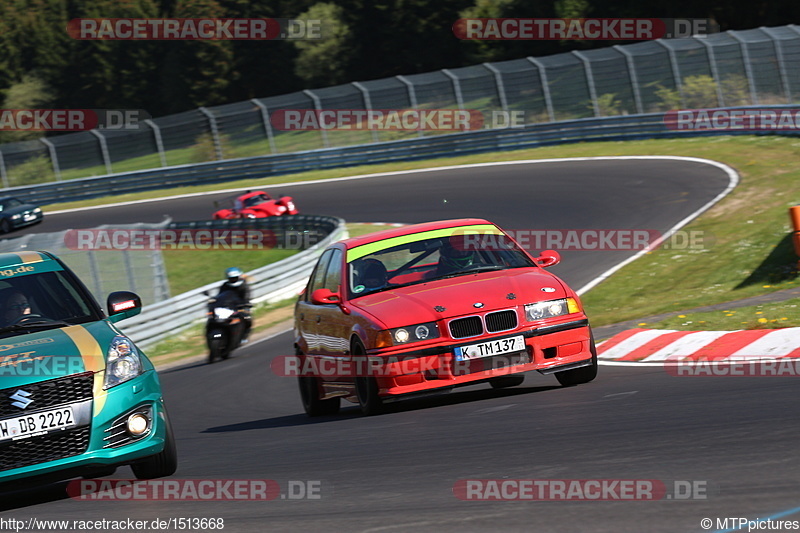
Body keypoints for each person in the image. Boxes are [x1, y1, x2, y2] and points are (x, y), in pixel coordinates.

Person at [218, 267, 252, 342]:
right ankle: (221, 335)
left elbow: (247, 295)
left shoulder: (244, 285)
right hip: (228, 306)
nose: (233, 280)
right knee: (218, 319)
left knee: (247, 318)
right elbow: (220, 296)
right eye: (231, 278)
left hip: (241, 305)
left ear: (238, 277)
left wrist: (246, 303)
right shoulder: (224, 286)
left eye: (235, 278)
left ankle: (245, 335)